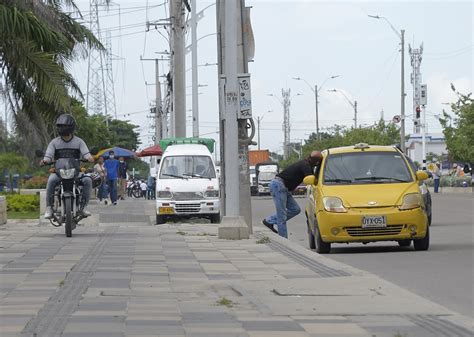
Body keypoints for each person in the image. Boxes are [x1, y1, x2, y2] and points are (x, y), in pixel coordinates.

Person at [41, 114, 94, 219]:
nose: (62, 128)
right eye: (60, 126)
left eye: (65, 126)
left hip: (76, 172)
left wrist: (90, 158)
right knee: (51, 181)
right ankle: (49, 208)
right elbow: (48, 155)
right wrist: (44, 161)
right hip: (58, 172)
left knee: (88, 180)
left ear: (71, 127)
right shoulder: (54, 142)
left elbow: (86, 154)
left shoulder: (79, 141)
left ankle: (83, 207)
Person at [262, 151, 323, 238]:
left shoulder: (305, 164)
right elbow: (312, 180)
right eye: (318, 163)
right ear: (316, 162)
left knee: (295, 209)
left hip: (284, 188)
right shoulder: (305, 165)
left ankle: (269, 221)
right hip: (279, 186)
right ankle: (284, 240)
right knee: (281, 215)